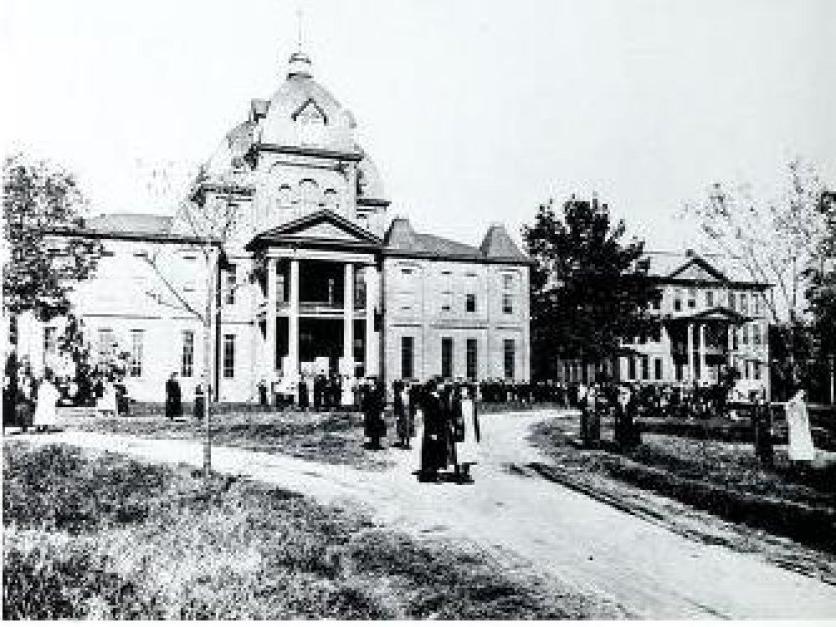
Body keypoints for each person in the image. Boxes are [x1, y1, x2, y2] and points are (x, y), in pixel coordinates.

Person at [785, 388, 815, 467]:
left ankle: (796, 457)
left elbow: (787, 412)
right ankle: (801, 457)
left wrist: (790, 421)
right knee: (801, 439)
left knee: (795, 440)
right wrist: (807, 425)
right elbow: (804, 417)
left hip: (795, 424)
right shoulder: (800, 404)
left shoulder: (790, 403)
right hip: (800, 424)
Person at [393, 379, 410, 448]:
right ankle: (403, 442)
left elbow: (403, 404)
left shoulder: (403, 395)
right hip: (403, 412)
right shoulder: (401, 395)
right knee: (402, 428)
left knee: (405, 427)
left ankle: (406, 443)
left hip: (404, 412)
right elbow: (397, 405)